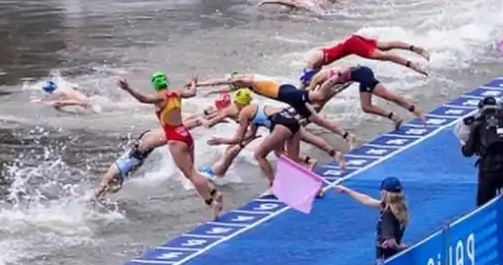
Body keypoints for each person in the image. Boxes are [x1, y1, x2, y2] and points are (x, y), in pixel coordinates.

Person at [116, 72, 223, 217]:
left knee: (190, 174)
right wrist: (193, 82)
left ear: (155, 85)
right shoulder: (176, 93)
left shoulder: (160, 98)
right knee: (192, 171)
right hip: (185, 135)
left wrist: (128, 88)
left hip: (175, 139)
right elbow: (192, 93)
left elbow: (143, 98)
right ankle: (214, 193)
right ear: (166, 82)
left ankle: (211, 202)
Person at [94, 94, 237, 196]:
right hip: (138, 154)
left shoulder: (167, 132)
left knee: (110, 181)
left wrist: (214, 117)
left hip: (137, 154)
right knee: (111, 181)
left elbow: (191, 122)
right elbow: (190, 121)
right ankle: (95, 198)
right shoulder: (171, 130)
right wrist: (210, 115)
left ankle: (95, 198)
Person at [204, 88, 345, 179]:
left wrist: (221, 140)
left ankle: (272, 184)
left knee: (259, 155)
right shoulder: (254, 108)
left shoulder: (243, 113)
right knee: (291, 157)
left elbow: (239, 137)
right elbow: (250, 135)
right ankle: (329, 156)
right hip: (290, 119)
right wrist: (243, 142)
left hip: (281, 125)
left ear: (237, 102)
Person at [198, 73, 354, 142]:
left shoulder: (247, 80)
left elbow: (222, 82)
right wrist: (208, 89)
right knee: (315, 118)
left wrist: (202, 85)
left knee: (319, 96)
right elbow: (225, 86)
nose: (234, 84)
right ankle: (346, 135)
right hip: (285, 93)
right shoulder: (248, 82)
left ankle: (338, 77)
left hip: (287, 93)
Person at [308, 65, 426, 129]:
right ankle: (396, 116)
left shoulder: (322, 78)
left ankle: (413, 111)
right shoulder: (320, 81)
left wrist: (340, 74)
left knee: (382, 97)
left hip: (363, 74)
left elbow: (344, 69)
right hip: (362, 75)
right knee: (369, 105)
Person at [299, 33, 429, 84]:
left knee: (384, 56)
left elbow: (309, 76)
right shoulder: (315, 56)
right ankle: (415, 48)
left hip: (353, 46)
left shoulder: (313, 60)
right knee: (386, 46)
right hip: (352, 40)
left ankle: (412, 64)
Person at [460, 96, 503, 207]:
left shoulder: (477, 124)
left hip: (488, 170)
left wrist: (463, 145)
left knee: (484, 207)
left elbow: (467, 152)